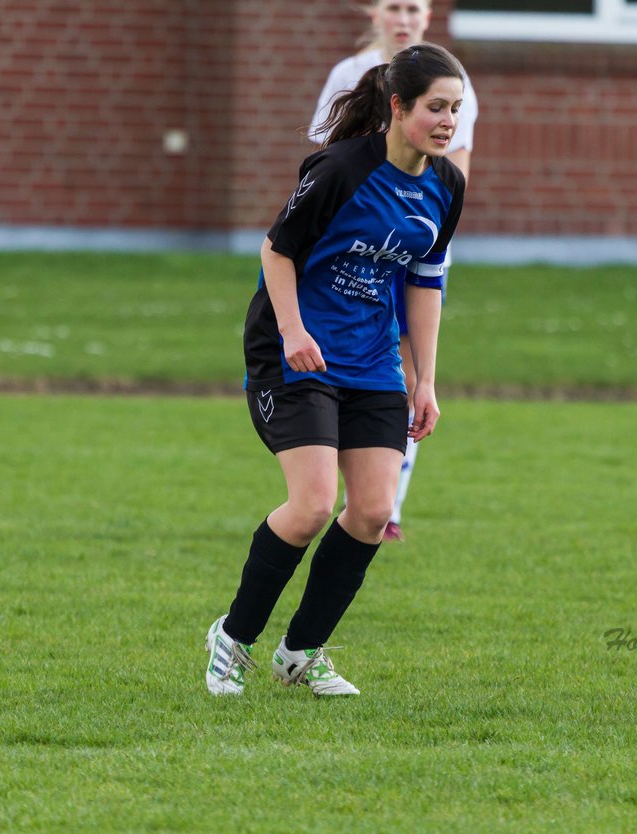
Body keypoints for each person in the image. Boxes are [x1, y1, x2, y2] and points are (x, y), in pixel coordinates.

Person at [205, 43, 468, 697]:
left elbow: (425, 281)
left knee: (374, 512)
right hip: (293, 354)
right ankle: (232, 640)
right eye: (436, 108)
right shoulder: (341, 170)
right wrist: (293, 331)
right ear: (398, 107)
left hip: (372, 360)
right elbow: (276, 251)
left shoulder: (446, 186)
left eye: (456, 109)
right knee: (314, 504)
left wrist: (425, 377)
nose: (447, 122)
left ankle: (301, 654)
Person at [309, 0, 478, 542]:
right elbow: (324, 165)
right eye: (394, 7)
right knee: (343, 361)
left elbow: (455, 169)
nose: (404, 18)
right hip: (357, 252)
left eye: (414, 8)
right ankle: (326, 488)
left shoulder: (451, 81)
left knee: (408, 377)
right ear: (374, 14)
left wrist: (426, 227)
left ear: (429, 17)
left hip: (416, 245)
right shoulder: (346, 73)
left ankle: (388, 507)